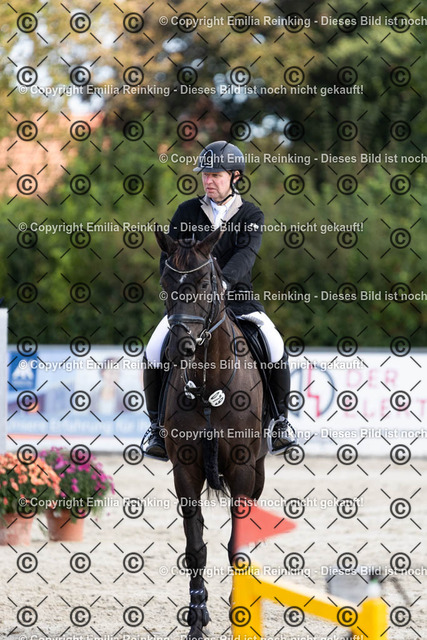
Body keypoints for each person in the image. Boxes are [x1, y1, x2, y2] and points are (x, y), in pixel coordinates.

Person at [143, 141, 296, 460]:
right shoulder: (186, 212)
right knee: (154, 349)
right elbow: (170, 256)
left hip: (238, 300)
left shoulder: (251, 214)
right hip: (191, 308)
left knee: (275, 344)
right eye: (205, 174)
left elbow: (246, 256)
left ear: (235, 176)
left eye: (216, 175)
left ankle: (279, 423)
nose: (208, 180)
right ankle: (156, 427)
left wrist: (222, 284)